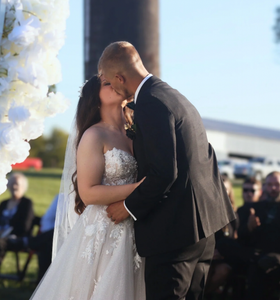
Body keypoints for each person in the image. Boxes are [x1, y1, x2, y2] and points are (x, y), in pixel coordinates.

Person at [100, 41, 235, 300]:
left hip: (174, 232)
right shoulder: (171, 94)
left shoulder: (150, 104)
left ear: (119, 77)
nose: (113, 88)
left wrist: (127, 206)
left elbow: (164, 172)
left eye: (110, 81)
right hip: (203, 227)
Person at [30, 75, 146, 299]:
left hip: (137, 227)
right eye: (107, 83)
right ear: (96, 98)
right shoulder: (94, 135)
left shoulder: (135, 133)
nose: (115, 84)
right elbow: (89, 192)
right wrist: (140, 188)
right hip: (105, 229)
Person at [236, 171, 280, 299]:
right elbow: (241, 236)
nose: (273, 188)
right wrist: (249, 227)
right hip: (255, 252)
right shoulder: (254, 208)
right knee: (225, 246)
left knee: (262, 264)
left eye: (277, 184)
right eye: (269, 185)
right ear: (264, 187)